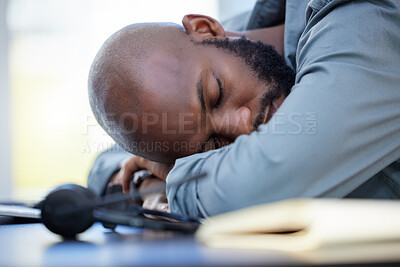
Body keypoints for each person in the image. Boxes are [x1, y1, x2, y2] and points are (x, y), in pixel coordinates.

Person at [88, 0, 400, 216]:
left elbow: (256, 184)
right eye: (212, 144)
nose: (241, 125)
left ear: (206, 29)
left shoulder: (363, 18)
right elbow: (108, 163)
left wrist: (171, 179)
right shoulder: (229, 49)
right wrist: (145, 179)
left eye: (216, 94)